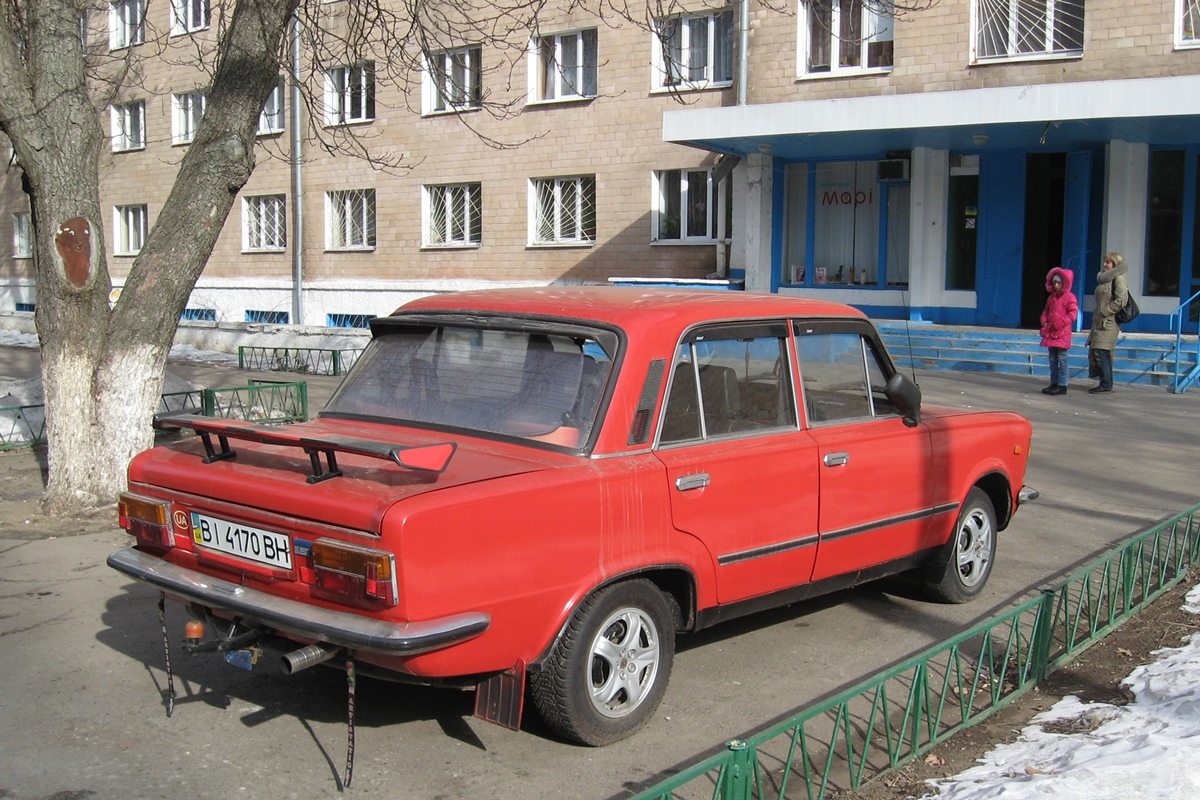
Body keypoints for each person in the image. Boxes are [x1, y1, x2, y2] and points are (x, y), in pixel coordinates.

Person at [1085, 251, 1128, 394]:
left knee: (1101, 351)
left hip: (1109, 322)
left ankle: (1106, 384)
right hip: (1099, 320)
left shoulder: (1118, 278)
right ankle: (1105, 383)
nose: (1105, 265)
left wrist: (1105, 312)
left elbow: (1121, 300)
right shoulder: (1105, 279)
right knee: (1100, 352)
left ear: (1115, 264)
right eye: (1105, 262)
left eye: (1108, 262)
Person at [1039, 267, 1078, 395]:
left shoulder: (1069, 297)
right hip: (1051, 332)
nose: (1056, 285)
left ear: (1064, 283)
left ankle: (1062, 385)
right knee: (1052, 360)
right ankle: (1054, 383)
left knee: (1062, 359)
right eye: (1054, 282)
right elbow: (1046, 310)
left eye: (1059, 283)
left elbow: (1073, 314)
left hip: (1062, 333)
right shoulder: (1051, 298)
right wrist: (1044, 321)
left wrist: (1060, 323)